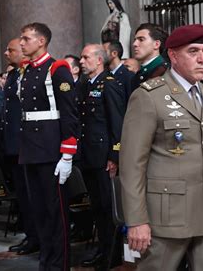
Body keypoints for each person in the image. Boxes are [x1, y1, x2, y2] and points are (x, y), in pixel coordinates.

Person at [120, 24, 203, 270]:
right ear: (173, 55)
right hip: (167, 215)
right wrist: (136, 220)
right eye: (193, 51)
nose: (202, 58)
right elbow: (132, 164)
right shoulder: (149, 96)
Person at [18, 22, 78, 271]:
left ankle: (59, 264)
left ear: (41, 41)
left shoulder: (57, 68)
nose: (22, 43)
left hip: (51, 148)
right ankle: (46, 261)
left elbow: (69, 113)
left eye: (26, 38)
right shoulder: (27, 70)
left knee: (56, 213)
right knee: (39, 211)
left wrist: (67, 153)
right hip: (31, 149)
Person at [77, 44, 125, 268]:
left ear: (99, 60)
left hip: (104, 157)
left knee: (108, 208)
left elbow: (117, 123)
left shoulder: (110, 85)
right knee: (96, 207)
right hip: (89, 155)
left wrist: (114, 156)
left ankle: (112, 255)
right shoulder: (87, 85)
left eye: (86, 57)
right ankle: (103, 249)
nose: (81, 61)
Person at [1, 38, 40, 256]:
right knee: (23, 195)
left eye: (11, 49)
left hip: (27, 144)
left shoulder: (29, 72)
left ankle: (36, 237)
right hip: (13, 144)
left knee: (32, 195)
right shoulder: (14, 74)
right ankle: (30, 235)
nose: (7, 53)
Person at [131, 23, 169, 90]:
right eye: (135, 40)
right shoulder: (139, 74)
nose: (134, 44)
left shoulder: (165, 71)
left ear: (156, 44)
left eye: (141, 39)